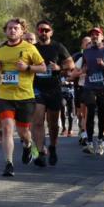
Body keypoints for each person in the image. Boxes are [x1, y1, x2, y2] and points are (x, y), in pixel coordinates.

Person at [0, 18, 45, 177]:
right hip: (5, 96)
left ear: (22, 31)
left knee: (23, 132)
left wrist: (28, 67)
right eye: (9, 28)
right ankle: (9, 163)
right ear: (5, 31)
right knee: (7, 128)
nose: (12, 30)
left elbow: (42, 67)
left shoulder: (29, 48)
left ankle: (28, 144)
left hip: (25, 96)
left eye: (16, 28)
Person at [30, 20, 71, 167]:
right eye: (41, 30)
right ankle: (40, 152)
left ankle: (52, 146)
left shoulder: (57, 47)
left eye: (46, 30)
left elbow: (70, 64)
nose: (44, 33)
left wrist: (59, 67)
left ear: (51, 32)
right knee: (38, 121)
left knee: (53, 124)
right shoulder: (32, 48)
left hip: (54, 89)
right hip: (37, 88)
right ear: (37, 32)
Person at [76, 27, 104, 155]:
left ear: (102, 36)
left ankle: (102, 140)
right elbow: (83, 66)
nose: (94, 36)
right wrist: (83, 70)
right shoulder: (86, 52)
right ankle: (89, 142)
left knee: (101, 114)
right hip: (90, 86)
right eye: (92, 35)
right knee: (89, 112)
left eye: (97, 34)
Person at [59, 56, 76, 137]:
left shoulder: (74, 71)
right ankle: (64, 128)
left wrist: (70, 83)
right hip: (62, 93)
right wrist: (62, 83)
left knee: (71, 112)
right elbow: (57, 81)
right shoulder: (61, 72)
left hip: (71, 94)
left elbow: (77, 80)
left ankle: (70, 129)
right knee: (62, 107)